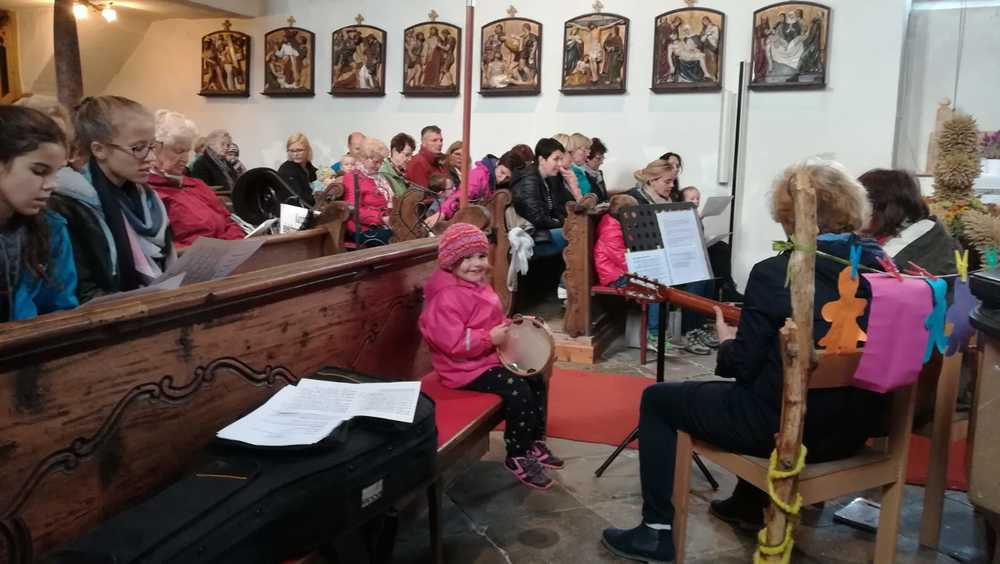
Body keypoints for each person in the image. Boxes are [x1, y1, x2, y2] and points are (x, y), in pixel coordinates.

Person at [600, 160, 889, 563]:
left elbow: (744, 366)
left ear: (790, 215)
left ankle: (656, 531)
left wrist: (727, 343)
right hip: (852, 429)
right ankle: (748, 505)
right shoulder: (881, 270)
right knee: (770, 384)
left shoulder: (777, 273)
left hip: (789, 432)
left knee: (659, 400)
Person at [419, 223, 563, 489]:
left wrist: (514, 326)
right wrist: (488, 338)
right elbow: (451, 342)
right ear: (450, 261)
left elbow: (492, 321)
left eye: (481, 256)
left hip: (486, 358)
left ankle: (534, 441)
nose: (477, 264)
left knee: (535, 377)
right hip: (462, 369)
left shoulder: (476, 284)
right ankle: (517, 453)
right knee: (518, 388)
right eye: (467, 258)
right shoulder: (446, 296)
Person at [49, 95, 174, 303]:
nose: (152, 158)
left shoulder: (149, 199)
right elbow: (82, 292)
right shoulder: (68, 204)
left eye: (153, 146)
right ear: (99, 149)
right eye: (138, 148)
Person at [0, 105, 78, 321]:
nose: (52, 185)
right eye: (39, 171)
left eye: (57, 173)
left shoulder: (53, 228)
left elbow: (61, 309)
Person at [147, 110, 243, 247]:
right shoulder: (148, 193)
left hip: (228, 253)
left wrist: (233, 244)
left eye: (187, 151)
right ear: (155, 148)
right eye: (178, 151)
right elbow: (163, 247)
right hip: (192, 258)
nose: (185, 159)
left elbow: (229, 221)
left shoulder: (196, 185)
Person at [859, 168, 957, 275]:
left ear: (884, 207)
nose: (852, 213)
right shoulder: (927, 236)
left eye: (858, 205)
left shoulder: (927, 246)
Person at [511, 138, 580, 256]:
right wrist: (564, 224)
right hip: (532, 235)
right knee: (577, 236)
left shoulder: (551, 178)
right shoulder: (528, 179)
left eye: (561, 159)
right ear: (541, 159)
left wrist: (573, 185)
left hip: (546, 230)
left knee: (582, 232)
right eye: (556, 159)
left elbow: (562, 208)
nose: (560, 164)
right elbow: (537, 218)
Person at [343, 138, 393, 247]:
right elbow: (354, 211)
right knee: (396, 237)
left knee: (412, 231)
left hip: (383, 225)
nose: (379, 165)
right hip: (363, 229)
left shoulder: (379, 177)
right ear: (364, 158)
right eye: (376, 162)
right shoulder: (352, 177)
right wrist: (381, 218)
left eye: (381, 162)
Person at [440, 154, 512, 220]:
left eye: (507, 178)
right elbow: (461, 196)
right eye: (502, 172)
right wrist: (443, 213)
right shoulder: (479, 175)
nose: (502, 179)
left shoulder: (498, 182)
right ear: (497, 163)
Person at [593, 194, 637, 286]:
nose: (635, 215)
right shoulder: (611, 232)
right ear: (624, 213)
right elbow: (620, 259)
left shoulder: (617, 224)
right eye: (633, 212)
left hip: (620, 272)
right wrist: (639, 268)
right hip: (614, 276)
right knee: (650, 287)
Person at [277, 132, 317, 207]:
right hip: (296, 211)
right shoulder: (286, 170)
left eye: (299, 150)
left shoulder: (309, 167)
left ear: (308, 150)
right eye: (291, 151)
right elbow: (300, 200)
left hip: (310, 208)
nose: (295, 154)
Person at [405, 125, 447, 189]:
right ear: (423, 143)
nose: (440, 144)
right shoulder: (418, 163)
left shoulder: (439, 162)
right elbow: (422, 193)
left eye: (441, 140)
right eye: (434, 140)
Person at [380, 132, 416, 197]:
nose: (410, 159)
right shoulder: (383, 173)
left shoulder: (403, 171)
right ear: (394, 151)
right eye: (407, 155)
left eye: (411, 155)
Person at [582, 138, 609, 203]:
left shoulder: (599, 173)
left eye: (603, 158)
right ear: (587, 158)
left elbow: (604, 198)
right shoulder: (582, 175)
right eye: (598, 158)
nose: (602, 162)